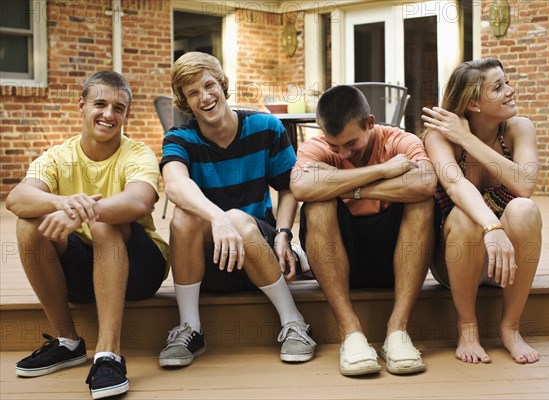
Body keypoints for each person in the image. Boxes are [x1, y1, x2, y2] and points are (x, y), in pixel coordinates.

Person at [5, 71, 169, 399]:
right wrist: (61, 203)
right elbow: (16, 199)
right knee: (29, 224)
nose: (109, 114)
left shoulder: (138, 153)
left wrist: (84, 211)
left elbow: (139, 201)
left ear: (127, 115)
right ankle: (67, 341)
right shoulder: (57, 157)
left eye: (118, 108)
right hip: (84, 271)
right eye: (100, 104)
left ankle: (108, 354)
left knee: (103, 222)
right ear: (82, 105)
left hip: (141, 269)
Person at [158, 52, 316, 367]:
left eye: (209, 85)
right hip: (211, 263)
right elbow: (174, 185)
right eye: (192, 93)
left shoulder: (265, 126)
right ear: (185, 102)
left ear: (222, 84)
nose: (204, 97)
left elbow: (288, 188)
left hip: (261, 252)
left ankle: (294, 322)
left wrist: (284, 233)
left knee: (238, 220)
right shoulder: (180, 138)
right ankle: (190, 328)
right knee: (183, 217)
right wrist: (217, 217)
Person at [290, 85, 436, 376]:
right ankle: (351, 333)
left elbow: (425, 182)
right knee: (317, 204)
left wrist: (341, 184)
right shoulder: (316, 147)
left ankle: (397, 331)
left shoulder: (398, 140)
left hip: (396, 257)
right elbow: (301, 186)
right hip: (341, 257)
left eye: (351, 144)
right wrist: (381, 172)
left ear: (370, 123)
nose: (343, 153)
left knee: (422, 203)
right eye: (335, 147)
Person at [421, 58, 542, 364]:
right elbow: (455, 186)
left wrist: (468, 139)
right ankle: (468, 329)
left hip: (506, 261)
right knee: (464, 215)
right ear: (473, 103)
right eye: (498, 87)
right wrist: (493, 227)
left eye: (507, 82)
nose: (510, 91)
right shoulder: (439, 137)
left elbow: (525, 184)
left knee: (525, 209)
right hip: (456, 261)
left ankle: (510, 328)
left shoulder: (519, 129)